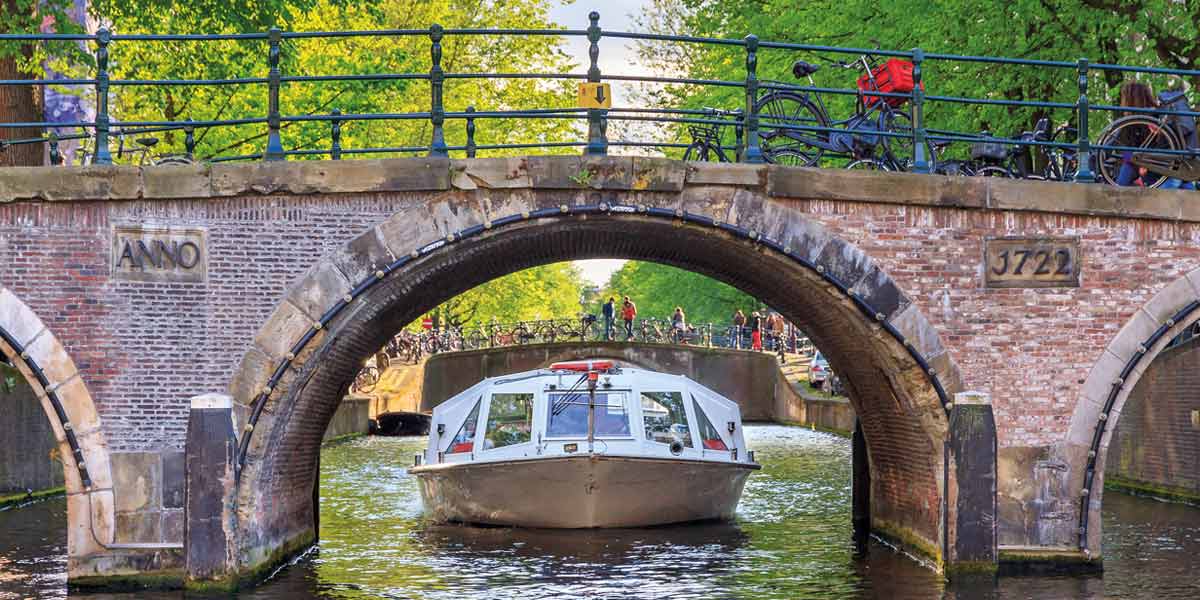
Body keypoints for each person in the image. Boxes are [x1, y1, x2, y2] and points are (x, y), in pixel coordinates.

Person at [1114, 81, 1194, 190]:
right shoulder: (1159, 114)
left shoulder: (1130, 121)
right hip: (1166, 165)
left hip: (1156, 166)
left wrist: (1141, 164)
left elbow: (1122, 151)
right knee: (1181, 181)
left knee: (1126, 169)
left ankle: (1118, 192)